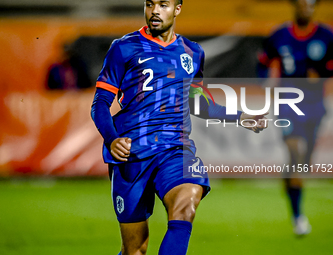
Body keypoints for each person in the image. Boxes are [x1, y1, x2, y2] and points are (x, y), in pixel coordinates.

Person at [91, 1, 267, 254]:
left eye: (163, 4)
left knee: (186, 207)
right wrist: (111, 139)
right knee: (135, 249)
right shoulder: (123, 48)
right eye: (149, 4)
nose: (154, 10)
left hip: (175, 150)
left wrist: (240, 117)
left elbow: (199, 103)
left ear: (177, 9)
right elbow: (100, 104)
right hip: (133, 153)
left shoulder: (192, 52)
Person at [258, 0, 333, 236]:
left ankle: (292, 187)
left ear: (314, 7)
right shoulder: (280, 35)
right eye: (302, 4)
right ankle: (299, 217)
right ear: (295, 6)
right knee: (296, 151)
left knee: (301, 164)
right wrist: (265, 82)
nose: (305, 8)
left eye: (310, 4)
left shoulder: (325, 35)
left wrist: (320, 74)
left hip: (314, 107)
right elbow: (263, 61)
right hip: (288, 105)